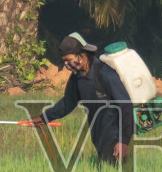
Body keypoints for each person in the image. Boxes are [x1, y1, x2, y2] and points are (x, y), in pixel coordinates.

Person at [29, 33, 133, 164]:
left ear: (82, 55)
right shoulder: (77, 77)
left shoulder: (104, 73)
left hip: (115, 133)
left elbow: (125, 105)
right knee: (105, 169)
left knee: (111, 169)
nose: (66, 64)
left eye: (69, 60)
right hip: (98, 133)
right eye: (64, 61)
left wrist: (123, 141)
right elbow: (68, 103)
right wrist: (44, 118)